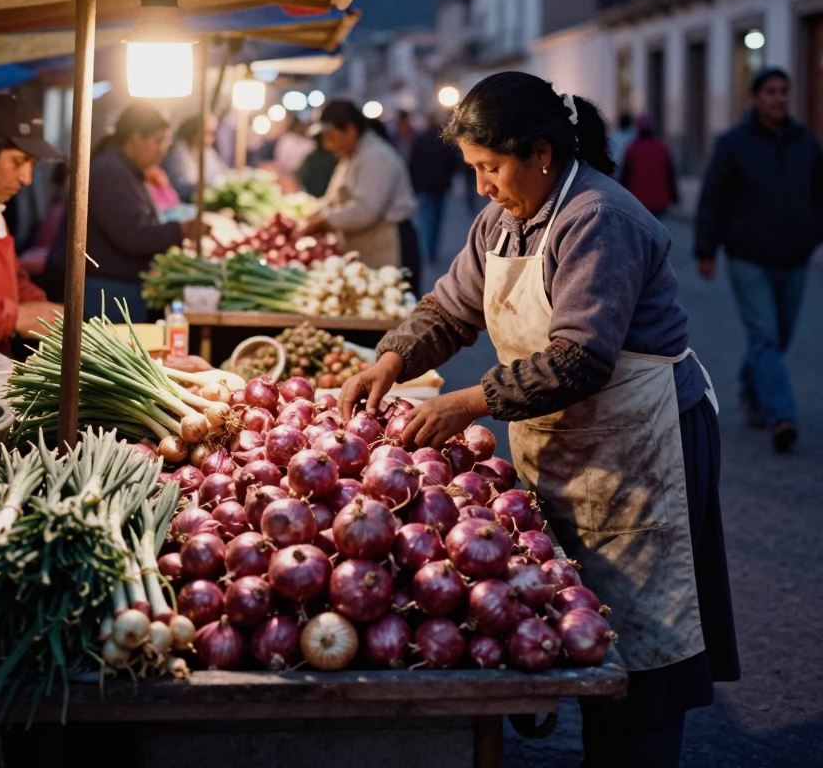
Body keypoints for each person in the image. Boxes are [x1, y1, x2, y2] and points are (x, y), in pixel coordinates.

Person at [340, 71, 739, 768]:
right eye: (473, 170)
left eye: (491, 168)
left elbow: (581, 358)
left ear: (541, 154)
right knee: (571, 602)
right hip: (564, 439)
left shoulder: (598, 218)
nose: (482, 186)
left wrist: (466, 403)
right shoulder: (501, 220)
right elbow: (449, 309)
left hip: (643, 444)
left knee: (643, 636)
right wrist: (394, 359)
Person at [695, 67, 823, 452]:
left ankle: (751, 390)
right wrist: (706, 249)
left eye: (785, 91)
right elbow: (713, 196)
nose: (780, 98)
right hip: (748, 256)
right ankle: (781, 415)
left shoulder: (807, 143)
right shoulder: (734, 143)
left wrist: (813, 231)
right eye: (771, 91)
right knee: (765, 334)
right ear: (755, 98)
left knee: (777, 336)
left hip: (795, 257)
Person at [47, 105, 205, 322]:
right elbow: (134, 235)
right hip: (102, 291)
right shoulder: (110, 172)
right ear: (136, 138)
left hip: (114, 286)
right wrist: (181, 229)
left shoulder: (124, 169)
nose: (163, 151)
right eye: (157, 141)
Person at [0, 94, 63, 354]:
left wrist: (41, 308)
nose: (27, 179)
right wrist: (15, 317)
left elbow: (13, 279)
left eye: (32, 165)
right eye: (18, 162)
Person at [302, 100, 421, 294]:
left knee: (393, 300)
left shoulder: (375, 157)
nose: (328, 145)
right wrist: (317, 214)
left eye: (331, 137)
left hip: (392, 245)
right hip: (369, 246)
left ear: (350, 130)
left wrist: (325, 221)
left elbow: (367, 211)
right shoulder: (351, 156)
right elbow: (333, 198)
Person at [409, 115, 458, 264]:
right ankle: (431, 250)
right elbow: (452, 162)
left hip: (424, 186)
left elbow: (413, 163)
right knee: (436, 219)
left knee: (425, 218)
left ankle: (425, 249)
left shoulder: (421, 139)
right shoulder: (443, 141)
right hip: (440, 186)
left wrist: (415, 184)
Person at [620, 114, 679, 218]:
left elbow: (625, 176)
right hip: (659, 201)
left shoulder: (632, 149)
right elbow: (670, 174)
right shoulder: (662, 148)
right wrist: (674, 196)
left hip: (637, 200)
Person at [163, 115, 230, 202]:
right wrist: (211, 186)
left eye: (213, 133)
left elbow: (222, 172)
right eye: (207, 133)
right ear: (193, 132)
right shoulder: (178, 153)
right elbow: (181, 188)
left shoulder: (209, 152)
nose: (211, 139)